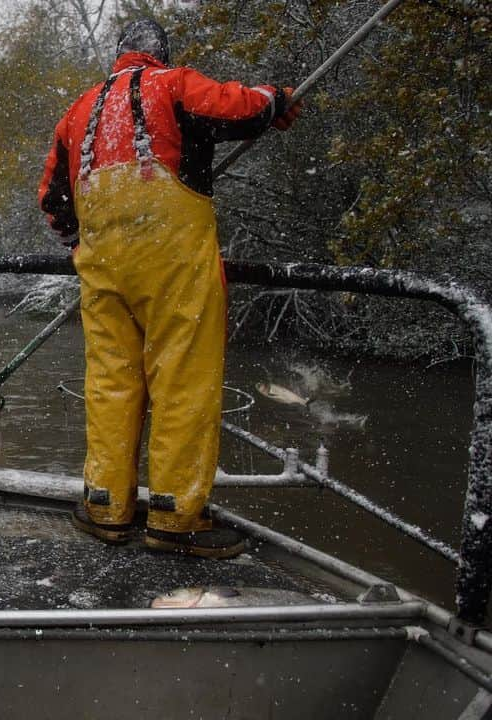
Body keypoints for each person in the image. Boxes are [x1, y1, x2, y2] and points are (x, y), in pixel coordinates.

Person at [38, 18, 301, 558]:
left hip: (104, 269)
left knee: (111, 383)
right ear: (159, 53)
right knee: (182, 381)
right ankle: (175, 517)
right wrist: (276, 100)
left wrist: (82, 243)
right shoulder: (173, 85)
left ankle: (107, 508)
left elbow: (53, 201)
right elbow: (241, 106)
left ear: (118, 54)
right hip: (173, 262)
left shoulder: (77, 112)